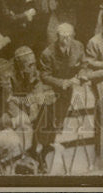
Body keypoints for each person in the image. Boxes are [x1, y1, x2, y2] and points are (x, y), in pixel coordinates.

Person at [36, 23, 85, 164]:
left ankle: (53, 144)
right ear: (57, 37)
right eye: (63, 37)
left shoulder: (78, 46)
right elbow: (44, 76)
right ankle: (44, 149)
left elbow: (84, 64)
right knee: (49, 120)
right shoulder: (48, 53)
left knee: (61, 118)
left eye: (69, 37)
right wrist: (62, 83)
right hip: (52, 90)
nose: (66, 40)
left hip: (68, 90)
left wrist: (82, 74)